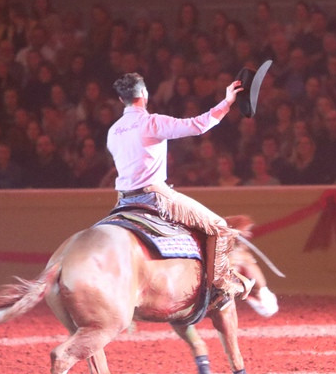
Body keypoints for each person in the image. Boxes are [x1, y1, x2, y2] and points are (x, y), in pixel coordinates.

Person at [107, 72, 252, 301]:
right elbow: (198, 125)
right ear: (144, 94)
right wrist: (227, 102)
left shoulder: (112, 131)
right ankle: (220, 283)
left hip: (123, 201)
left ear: (120, 99)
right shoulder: (151, 122)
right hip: (154, 196)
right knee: (220, 227)